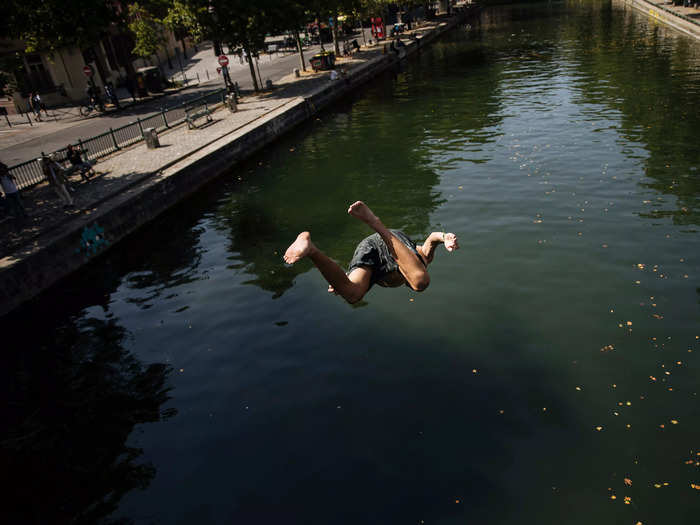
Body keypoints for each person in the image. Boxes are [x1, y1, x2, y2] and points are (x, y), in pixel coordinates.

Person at [283, 201, 459, 304]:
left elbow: (353, 283)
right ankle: (375, 222)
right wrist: (445, 236)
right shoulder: (422, 258)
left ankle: (310, 249)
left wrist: (342, 279)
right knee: (421, 281)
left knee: (353, 294)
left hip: (370, 251)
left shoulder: (413, 268)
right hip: (392, 240)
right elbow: (432, 238)